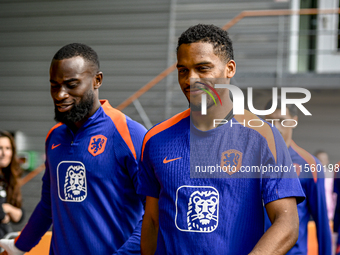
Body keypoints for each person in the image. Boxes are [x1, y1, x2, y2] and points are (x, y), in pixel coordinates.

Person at [138, 24, 305, 255]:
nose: (191, 80)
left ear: (229, 69)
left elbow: (286, 224)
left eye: (202, 68)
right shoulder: (155, 139)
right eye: (183, 70)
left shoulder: (262, 137)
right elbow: (152, 222)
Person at [0, 43, 146, 254]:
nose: (60, 95)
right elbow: (48, 204)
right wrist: (18, 247)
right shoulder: (55, 136)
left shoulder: (128, 134)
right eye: (54, 85)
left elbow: (154, 213)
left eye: (71, 84)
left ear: (97, 80)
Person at [264, 99, 332, 255]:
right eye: (270, 121)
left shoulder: (310, 165)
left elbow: (321, 222)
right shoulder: (253, 161)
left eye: (282, 121)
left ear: (294, 122)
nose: (276, 126)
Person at [0, 131, 23, 238]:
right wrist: (3, 213)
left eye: (7, 148)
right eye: (0, 148)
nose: (4, 153)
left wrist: (8, 208)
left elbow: (20, 215)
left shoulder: (8, 179)